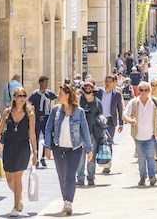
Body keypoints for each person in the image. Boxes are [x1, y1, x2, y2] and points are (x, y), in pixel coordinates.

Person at [43, 84, 93, 216]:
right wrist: (47, 147)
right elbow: (48, 129)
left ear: (68, 95)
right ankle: (66, 199)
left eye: (60, 94)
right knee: (62, 176)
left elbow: (85, 131)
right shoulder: (55, 110)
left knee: (70, 176)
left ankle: (68, 201)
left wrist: (89, 149)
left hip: (75, 149)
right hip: (59, 148)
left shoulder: (79, 111)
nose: (58, 96)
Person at [0, 87, 37, 217]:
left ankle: (16, 207)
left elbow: (32, 134)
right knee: (9, 178)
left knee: (17, 177)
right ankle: (19, 195)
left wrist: (35, 152)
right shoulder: (7, 112)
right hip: (9, 147)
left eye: (24, 96)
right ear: (14, 97)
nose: (22, 98)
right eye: (19, 96)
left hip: (23, 147)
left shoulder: (30, 114)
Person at [122, 81, 157, 187]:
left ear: (149, 91)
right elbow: (124, 115)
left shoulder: (155, 102)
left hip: (151, 134)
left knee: (150, 155)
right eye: (141, 90)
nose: (143, 92)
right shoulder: (134, 102)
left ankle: (152, 176)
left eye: (146, 90)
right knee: (141, 157)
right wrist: (130, 121)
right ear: (138, 91)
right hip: (138, 135)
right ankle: (143, 176)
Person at [76, 80, 103, 186]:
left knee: (91, 156)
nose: (88, 88)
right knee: (80, 157)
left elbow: (101, 117)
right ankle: (80, 177)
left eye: (90, 86)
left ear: (93, 88)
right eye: (86, 86)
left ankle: (91, 177)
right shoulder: (78, 101)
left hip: (93, 133)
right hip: (80, 134)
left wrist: (102, 132)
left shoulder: (97, 102)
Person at [27, 76, 57, 167]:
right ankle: (36, 157)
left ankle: (43, 157)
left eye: (47, 83)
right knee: (35, 138)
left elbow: (57, 97)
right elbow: (28, 102)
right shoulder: (35, 94)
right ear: (40, 83)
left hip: (46, 118)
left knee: (46, 137)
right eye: (45, 83)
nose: (46, 85)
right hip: (37, 119)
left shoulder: (49, 94)